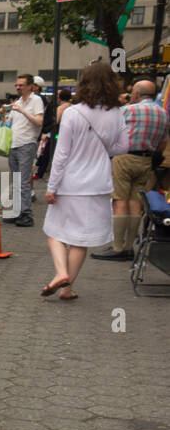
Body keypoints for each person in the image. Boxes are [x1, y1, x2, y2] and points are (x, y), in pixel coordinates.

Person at [41, 61, 129, 300]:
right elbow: (123, 147)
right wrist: (103, 148)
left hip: (70, 183)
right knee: (80, 239)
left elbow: (61, 155)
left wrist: (52, 186)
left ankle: (60, 273)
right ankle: (67, 289)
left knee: (55, 233)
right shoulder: (117, 114)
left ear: (85, 84)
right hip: (98, 184)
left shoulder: (72, 113)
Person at [92, 78, 169, 261]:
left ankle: (118, 247)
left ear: (136, 94)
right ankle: (129, 246)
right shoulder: (163, 114)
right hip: (147, 161)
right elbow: (162, 143)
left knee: (120, 201)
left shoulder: (127, 110)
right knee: (136, 202)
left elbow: (109, 135)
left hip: (124, 159)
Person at [0, 72, 46, 226]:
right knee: (17, 181)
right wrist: (3, 115)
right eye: (16, 85)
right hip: (14, 144)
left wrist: (22, 111)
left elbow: (39, 122)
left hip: (27, 144)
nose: (18, 87)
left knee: (24, 181)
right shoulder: (18, 101)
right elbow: (9, 124)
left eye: (21, 85)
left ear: (30, 86)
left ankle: (26, 215)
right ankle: (18, 212)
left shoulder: (36, 100)